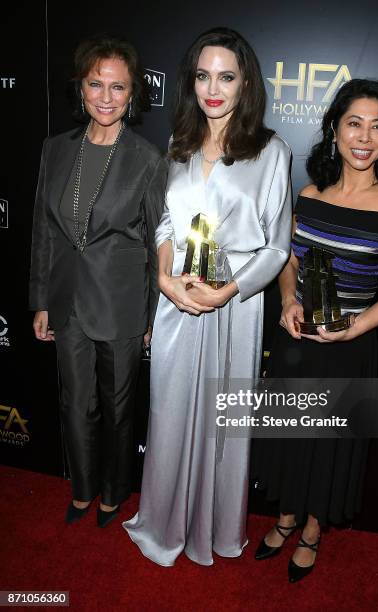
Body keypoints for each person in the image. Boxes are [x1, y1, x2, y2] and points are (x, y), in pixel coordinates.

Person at [123, 27, 291, 566]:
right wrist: (166, 281)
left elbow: (277, 246)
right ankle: (165, 523)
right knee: (169, 415)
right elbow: (166, 223)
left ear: (245, 83)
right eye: (202, 75)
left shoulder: (271, 151)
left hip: (235, 309)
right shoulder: (179, 146)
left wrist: (225, 292)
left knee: (224, 424)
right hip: (177, 304)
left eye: (225, 76)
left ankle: (216, 529)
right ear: (190, 81)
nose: (212, 88)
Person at [252, 79, 378, 582]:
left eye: (377, 127)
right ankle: (284, 517)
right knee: (289, 437)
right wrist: (286, 300)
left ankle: (312, 530)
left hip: (349, 348)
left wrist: (354, 329)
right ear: (333, 129)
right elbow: (289, 262)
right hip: (296, 340)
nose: (365, 137)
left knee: (329, 445)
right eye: (354, 123)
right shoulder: (310, 194)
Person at [29, 34, 167, 527]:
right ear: (81, 88)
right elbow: (45, 229)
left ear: (133, 95)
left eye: (118, 87)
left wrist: (151, 315)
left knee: (118, 407)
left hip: (122, 304)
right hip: (66, 301)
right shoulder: (55, 149)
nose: (105, 97)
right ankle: (83, 489)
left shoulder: (148, 159)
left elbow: (157, 244)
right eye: (95, 84)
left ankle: (113, 491)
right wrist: (41, 299)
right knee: (74, 405)